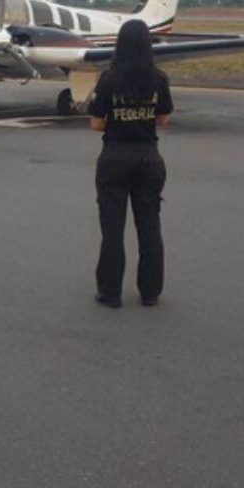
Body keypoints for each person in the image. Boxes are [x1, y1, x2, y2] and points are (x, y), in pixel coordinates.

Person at [88, 20, 173, 308]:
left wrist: (119, 120)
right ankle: (150, 291)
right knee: (149, 226)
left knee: (112, 229)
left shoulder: (108, 80)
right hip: (148, 157)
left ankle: (110, 292)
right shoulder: (159, 79)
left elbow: (96, 123)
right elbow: (163, 118)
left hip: (115, 157)